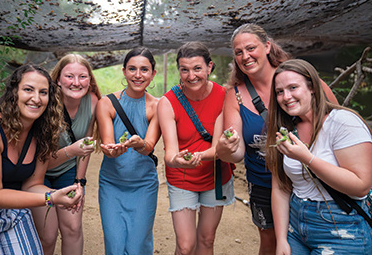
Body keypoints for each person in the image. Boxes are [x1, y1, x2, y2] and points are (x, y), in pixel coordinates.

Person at [215, 23, 338, 255]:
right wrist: (226, 148)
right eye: (238, 52)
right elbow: (237, 151)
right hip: (263, 181)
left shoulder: (299, 77)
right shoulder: (236, 95)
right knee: (272, 243)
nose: (245, 56)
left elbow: (337, 123)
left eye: (251, 48)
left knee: (317, 238)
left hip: (311, 178)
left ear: (268, 46)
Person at [0, 64, 82, 255]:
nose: (36, 98)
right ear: (13, 92)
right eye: (28, 90)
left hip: (13, 212)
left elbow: (33, 185)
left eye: (43, 92)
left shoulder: (41, 131)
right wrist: (50, 198)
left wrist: (62, 195)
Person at [266, 59, 372, 254]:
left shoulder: (343, 122)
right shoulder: (286, 129)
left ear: (312, 87)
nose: (286, 97)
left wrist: (308, 159)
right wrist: (281, 239)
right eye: (279, 92)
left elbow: (361, 185)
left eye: (293, 87)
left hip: (342, 226)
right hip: (296, 223)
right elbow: (280, 187)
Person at [158, 41, 235, 255]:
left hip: (215, 176)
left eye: (197, 68)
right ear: (179, 70)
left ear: (209, 67)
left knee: (207, 239)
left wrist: (198, 156)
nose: (191, 76)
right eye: (185, 70)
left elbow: (219, 147)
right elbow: (170, 153)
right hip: (182, 177)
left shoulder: (224, 96)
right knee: (185, 246)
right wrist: (177, 160)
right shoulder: (168, 102)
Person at [31, 54, 101, 255]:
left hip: (69, 173)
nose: (76, 83)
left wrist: (80, 181)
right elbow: (39, 161)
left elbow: (86, 147)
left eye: (82, 77)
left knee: (73, 228)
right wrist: (71, 150)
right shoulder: (44, 103)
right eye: (69, 76)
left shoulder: (94, 102)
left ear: (90, 79)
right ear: (58, 80)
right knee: (48, 234)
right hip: (38, 175)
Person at [96, 47, 161, 254]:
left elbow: (149, 146)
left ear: (153, 73)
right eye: (132, 69)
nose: (138, 75)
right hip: (112, 183)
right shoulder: (106, 103)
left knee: (138, 246)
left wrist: (139, 144)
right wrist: (112, 150)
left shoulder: (158, 106)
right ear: (124, 71)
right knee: (114, 245)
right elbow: (108, 146)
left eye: (144, 69)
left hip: (144, 184)